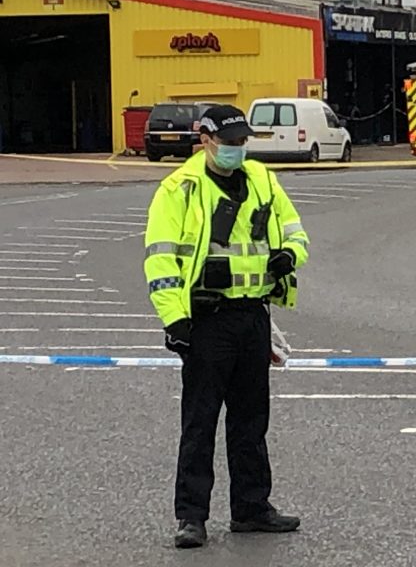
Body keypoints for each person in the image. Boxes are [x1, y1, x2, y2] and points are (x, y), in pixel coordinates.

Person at [143, 105, 310, 549]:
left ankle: (252, 508)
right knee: (200, 422)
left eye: (242, 142)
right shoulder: (179, 188)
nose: (237, 149)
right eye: (229, 142)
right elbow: (161, 258)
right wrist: (174, 319)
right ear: (205, 140)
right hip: (206, 320)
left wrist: (288, 255)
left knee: (251, 420)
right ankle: (191, 517)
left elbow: (295, 232)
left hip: (253, 314)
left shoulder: (262, 180)